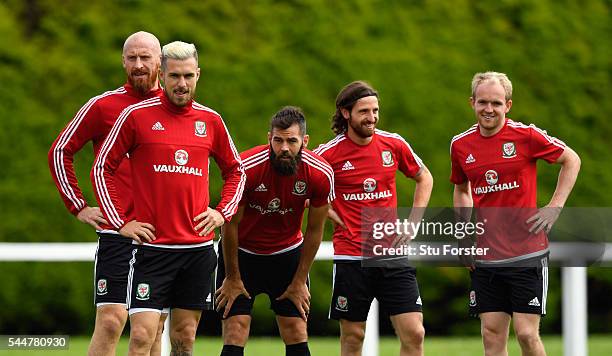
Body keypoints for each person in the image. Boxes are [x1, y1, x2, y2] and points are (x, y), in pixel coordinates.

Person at [91, 40, 245, 355]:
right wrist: (121, 221)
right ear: (162, 76)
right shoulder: (136, 116)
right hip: (151, 250)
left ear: (198, 75)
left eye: (188, 76)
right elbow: (102, 167)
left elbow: (236, 171)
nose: (182, 83)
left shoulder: (211, 121)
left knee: (184, 338)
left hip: (198, 250)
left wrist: (221, 213)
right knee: (141, 338)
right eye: (174, 76)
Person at [48, 31, 167, 356]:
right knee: (112, 320)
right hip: (117, 231)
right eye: (132, 58)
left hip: (163, 236)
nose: (139, 65)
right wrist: (80, 207)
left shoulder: (174, 108)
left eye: (146, 57)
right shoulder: (103, 106)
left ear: (160, 61)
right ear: (123, 62)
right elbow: (60, 151)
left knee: (152, 329)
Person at [450, 71, 581, 356]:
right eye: (482, 102)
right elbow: (462, 191)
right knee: (491, 336)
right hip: (486, 256)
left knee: (526, 334)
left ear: (508, 105)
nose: (489, 109)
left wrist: (555, 206)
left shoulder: (527, 136)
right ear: (472, 102)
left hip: (527, 253)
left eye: (496, 103)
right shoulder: (460, 145)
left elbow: (571, 159)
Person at [314, 81, 433, 356]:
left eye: (375, 110)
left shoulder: (393, 143)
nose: (372, 118)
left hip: (391, 254)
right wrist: (324, 209)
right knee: (354, 336)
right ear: (346, 113)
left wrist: (413, 222)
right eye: (364, 111)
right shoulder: (328, 154)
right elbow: (298, 185)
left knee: (415, 332)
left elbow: (424, 177)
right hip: (351, 256)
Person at [215, 106, 334, 356]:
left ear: (305, 140)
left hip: (287, 254)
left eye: (292, 141)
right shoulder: (246, 167)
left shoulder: (321, 173)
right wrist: (233, 277)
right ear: (269, 138)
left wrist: (300, 281)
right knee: (235, 330)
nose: (284, 148)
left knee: (296, 331)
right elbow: (230, 223)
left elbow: (314, 231)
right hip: (242, 254)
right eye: (278, 140)